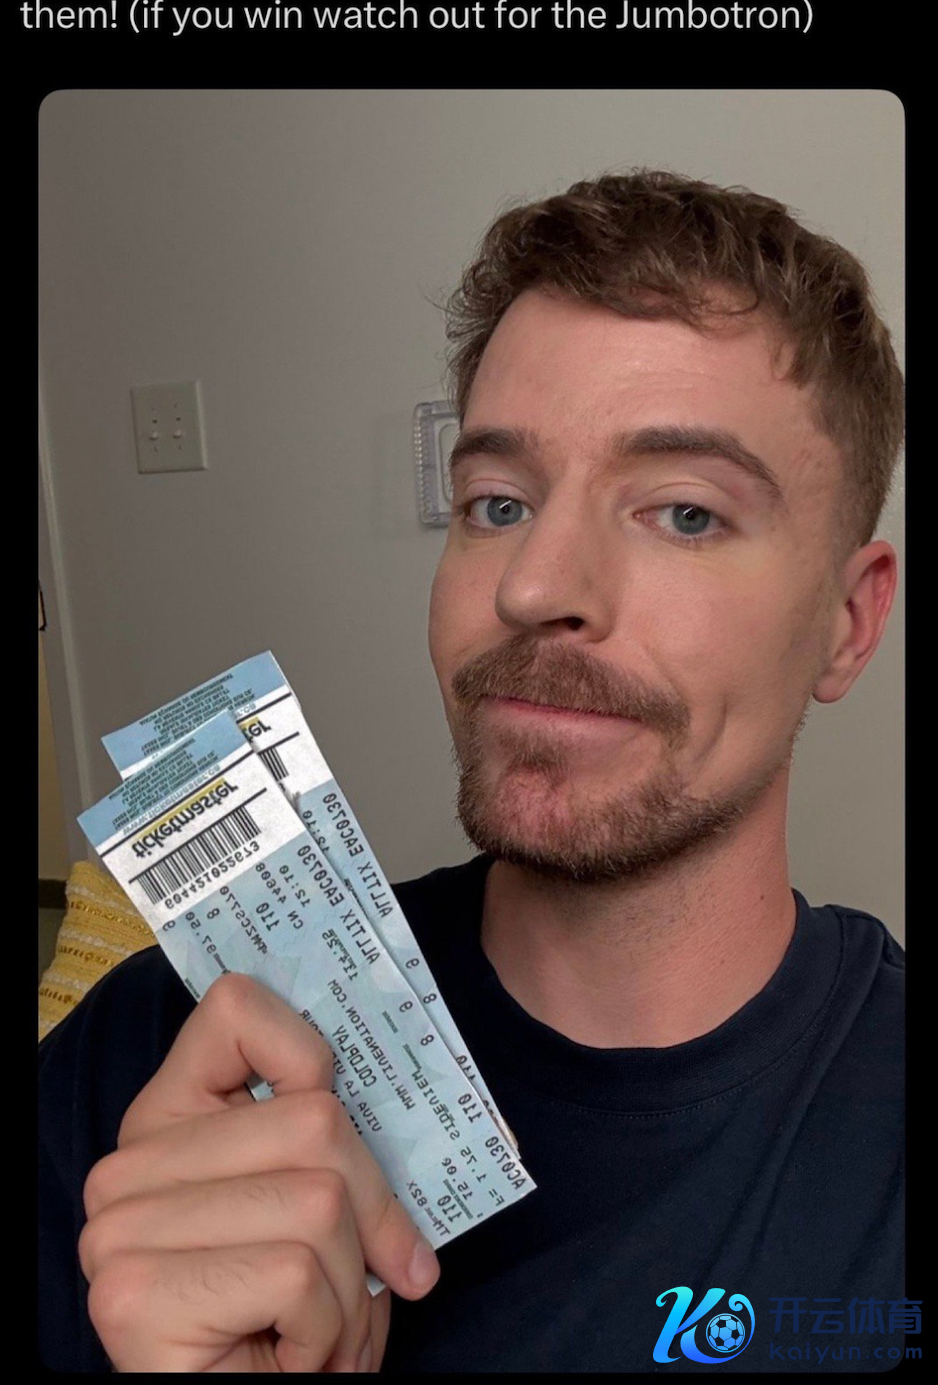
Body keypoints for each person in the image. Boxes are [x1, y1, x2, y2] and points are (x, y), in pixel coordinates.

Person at [38, 170, 905, 1372]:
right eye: (497, 503)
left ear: (848, 625)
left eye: (684, 513)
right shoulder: (151, 1054)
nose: (533, 584)